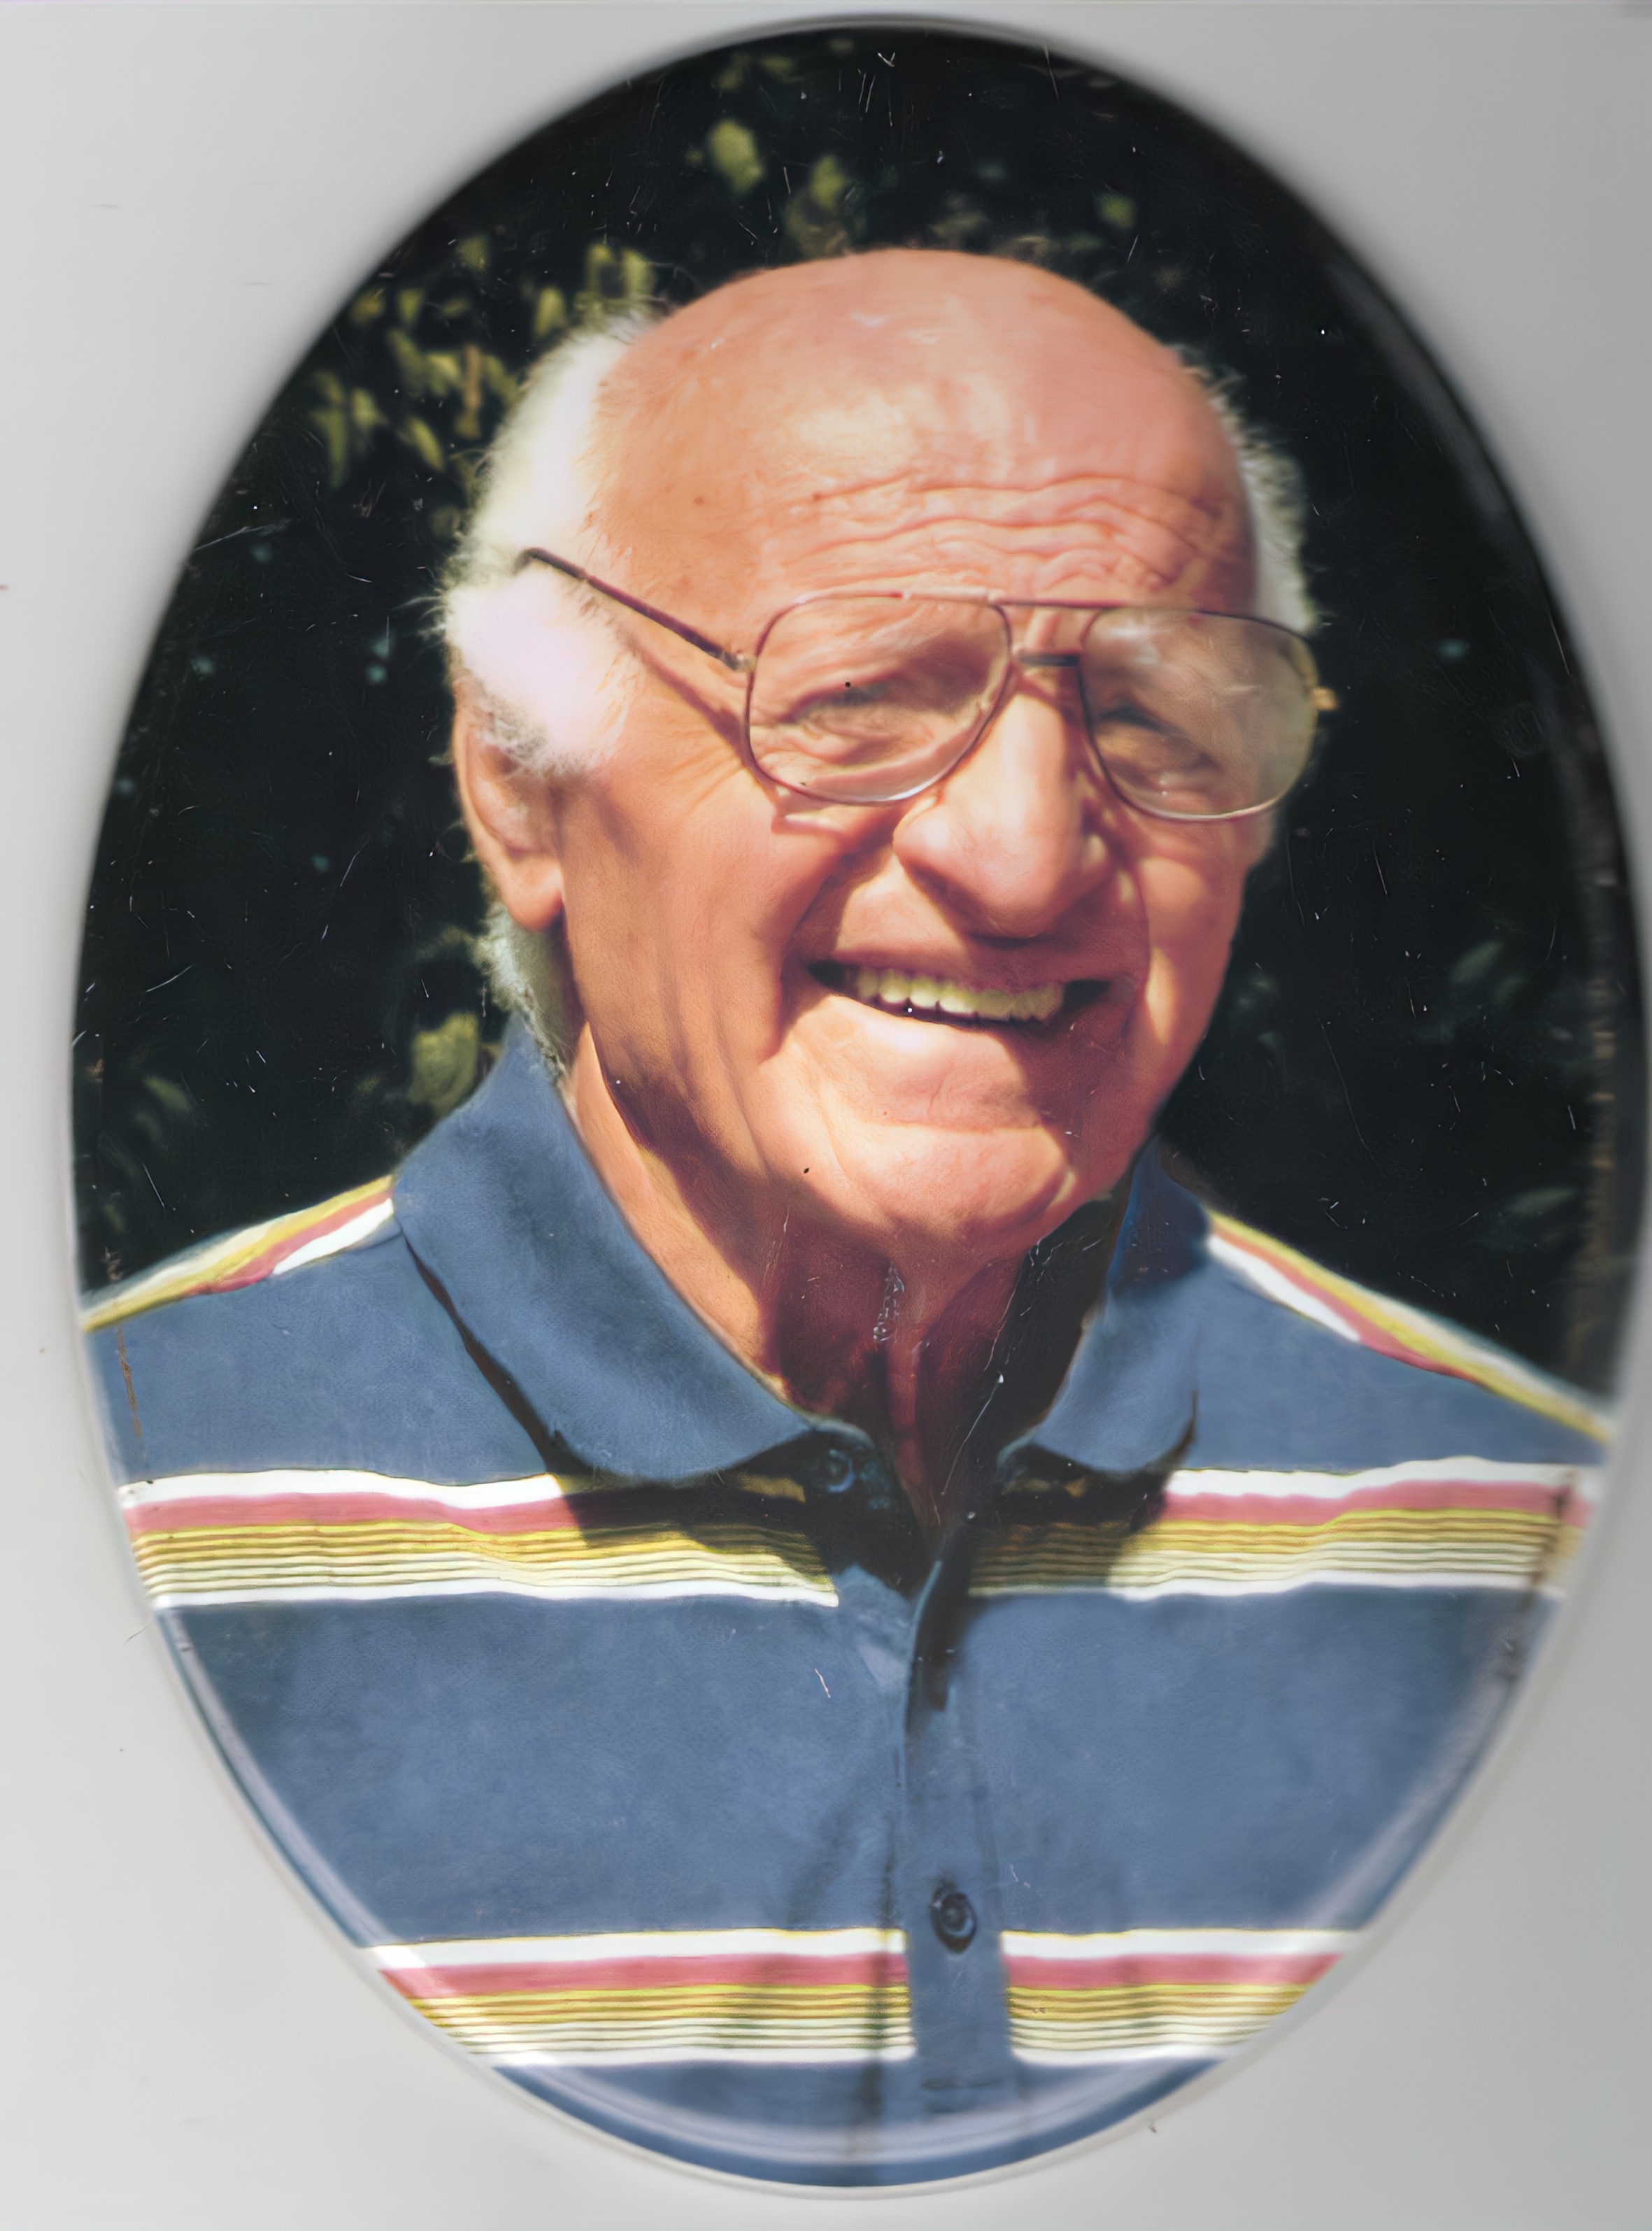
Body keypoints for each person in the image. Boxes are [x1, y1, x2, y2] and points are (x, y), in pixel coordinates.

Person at [85, 252, 1607, 2186]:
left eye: (1149, 713)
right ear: (524, 789)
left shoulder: (1511, 1543)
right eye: (861, 694)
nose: (1023, 854)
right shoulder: (119, 1511)